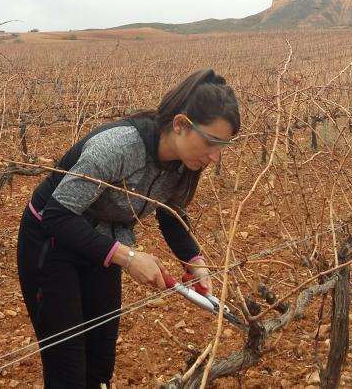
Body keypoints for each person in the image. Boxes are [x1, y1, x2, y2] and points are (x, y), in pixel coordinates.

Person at [17, 69, 240, 388]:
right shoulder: (119, 146)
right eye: (212, 142)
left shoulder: (182, 164)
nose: (216, 157)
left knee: (99, 364)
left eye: (224, 146)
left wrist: (194, 260)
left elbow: (169, 212)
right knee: (67, 368)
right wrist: (128, 257)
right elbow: (57, 215)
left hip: (103, 240)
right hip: (51, 242)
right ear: (180, 125)